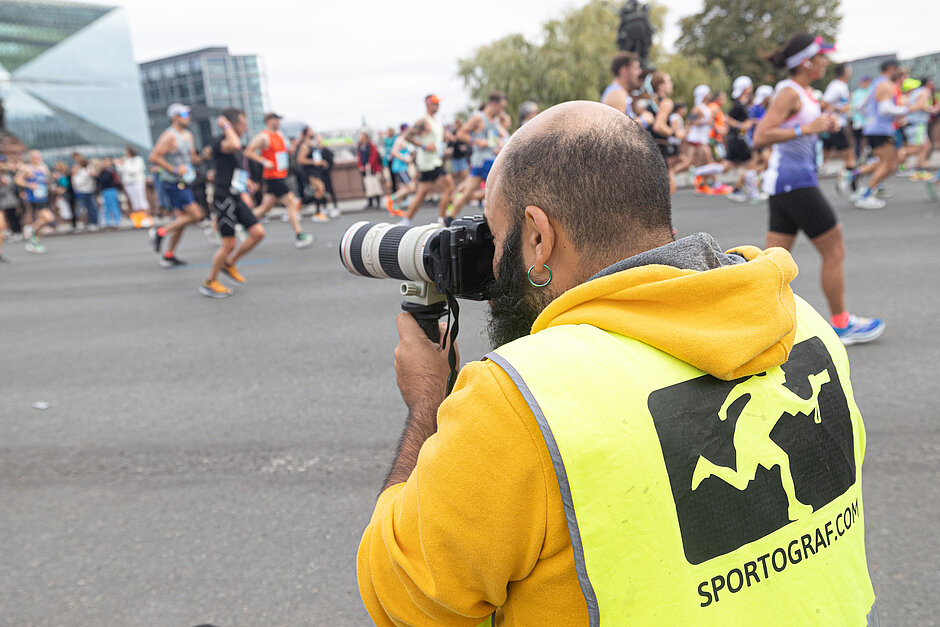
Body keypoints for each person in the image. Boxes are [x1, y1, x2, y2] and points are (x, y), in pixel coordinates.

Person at [357, 100, 878, 624]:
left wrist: (427, 399)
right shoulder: (802, 324)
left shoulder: (522, 397)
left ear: (538, 236)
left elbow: (403, 601)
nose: (490, 265)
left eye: (494, 238)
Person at [755, 32, 884, 345]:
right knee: (834, 249)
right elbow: (761, 135)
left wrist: (827, 122)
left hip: (787, 185)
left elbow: (810, 119)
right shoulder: (788, 92)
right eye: (822, 56)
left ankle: (756, 325)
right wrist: (805, 128)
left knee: (774, 262)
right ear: (807, 61)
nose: (827, 62)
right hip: (796, 183)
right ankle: (841, 324)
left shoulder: (803, 91)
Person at [200, 108, 266, 298]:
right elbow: (235, 144)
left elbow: (235, 168)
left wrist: (246, 183)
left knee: (258, 233)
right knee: (228, 243)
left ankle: (229, 263)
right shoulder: (219, 141)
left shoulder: (233, 143)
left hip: (236, 195)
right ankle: (210, 282)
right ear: (232, 124)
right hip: (223, 198)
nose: (245, 128)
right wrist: (225, 124)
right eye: (242, 124)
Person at [855, 60, 925, 209]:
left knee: (888, 163)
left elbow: (860, 106)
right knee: (887, 164)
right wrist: (910, 109)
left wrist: (870, 118)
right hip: (881, 130)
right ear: (892, 69)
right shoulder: (885, 84)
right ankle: (864, 193)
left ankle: (857, 179)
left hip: (879, 129)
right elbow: (885, 109)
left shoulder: (877, 84)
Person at [245, 112, 314, 248]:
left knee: (265, 208)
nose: (278, 122)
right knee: (291, 203)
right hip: (273, 176)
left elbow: (282, 152)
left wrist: (290, 151)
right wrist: (263, 161)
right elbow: (248, 151)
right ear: (269, 121)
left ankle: (244, 222)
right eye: (276, 120)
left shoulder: (280, 135)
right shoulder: (264, 137)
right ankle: (299, 235)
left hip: (280, 175)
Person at [148, 103, 204, 266]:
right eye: (184, 115)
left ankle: (169, 254)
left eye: (188, 115)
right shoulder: (169, 136)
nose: (188, 118)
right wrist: (173, 169)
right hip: (173, 182)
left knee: (182, 220)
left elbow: (192, 159)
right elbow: (154, 156)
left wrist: (205, 156)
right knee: (195, 215)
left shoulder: (188, 135)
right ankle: (160, 232)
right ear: (174, 117)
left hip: (186, 180)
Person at [448, 92, 508, 222]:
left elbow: (493, 139)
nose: (502, 111)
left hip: (489, 158)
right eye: (501, 107)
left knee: (467, 194)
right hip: (482, 160)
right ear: (493, 104)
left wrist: (497, 144)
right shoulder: (478, 118)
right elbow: (460, 134)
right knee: (500, 187)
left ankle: (449, 217)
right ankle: (492, 219)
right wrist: (476, 141)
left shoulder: (496, 120)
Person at [400, 94, 456, 226]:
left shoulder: (435, 121)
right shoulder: (423, 121)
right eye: (434, 103)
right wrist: (424, 146)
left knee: (421, 194)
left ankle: (405, 221)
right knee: (449, 187)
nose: (437, 106)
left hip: (433, 160)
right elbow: (406, 135)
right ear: (427, 104)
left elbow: (435, 140)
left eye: (438, 103)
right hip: (430, 163)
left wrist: (445, 138)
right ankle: (442, 220)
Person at [821, 63, 857, 193]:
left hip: (834, 125)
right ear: (845, 72)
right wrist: (840, 109)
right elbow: (824, 103)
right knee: (850, 157)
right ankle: (852, 187)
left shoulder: (840, 86)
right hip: (836, 126)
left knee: (824, 155)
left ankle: (848, 183)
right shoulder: (837, 86)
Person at [14, 150, 55, 254]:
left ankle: (34, 242)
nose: (38, 158)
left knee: (42, 220)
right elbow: (17, 180)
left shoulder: (43, 167)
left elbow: (47, 180)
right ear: (31, 157)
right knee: (48, 217)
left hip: (43, 196)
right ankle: (31, 228)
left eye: (39, 156)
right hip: (34, 198)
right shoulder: (26, 168)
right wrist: (29, 185)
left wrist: (48, 180)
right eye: (36, 156)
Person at [601, 50, 642, 117]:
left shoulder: (619, 92)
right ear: (623, 70)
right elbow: (617, 126)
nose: (639, 72)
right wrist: (644, 120)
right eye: (636, 68)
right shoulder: (616, 94)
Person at [118, 146, 151, 228]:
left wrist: (124, 165)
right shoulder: (126, 161)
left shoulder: (138, 160)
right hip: (129, 183)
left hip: (138, 182)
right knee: (134, 202)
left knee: (142, 200)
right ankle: (138, 220)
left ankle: (146, 219)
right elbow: (121, 171)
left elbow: (134, 171)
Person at [357, 131, 385, 210]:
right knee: (367, 186)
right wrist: (361, 166)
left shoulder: (371, 146)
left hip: (372, 169)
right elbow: (359, 157)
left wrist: (369, 165)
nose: (360, 138)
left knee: (375, 185)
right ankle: (370, 202)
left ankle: (378, 202)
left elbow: (374, 156)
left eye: (361, 136)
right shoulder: (360, 146)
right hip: (365, 170)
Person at [71, 155, 99, 231]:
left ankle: (93, 222)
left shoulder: (86, 170)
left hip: (87, 191)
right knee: (83, 208)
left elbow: (79, 182)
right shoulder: (80, 171)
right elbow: (76, 182)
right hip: (81, 191)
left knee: (90, 208)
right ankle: (86, 223)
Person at [97, 157, 122, 228]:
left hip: (111, 189)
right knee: (106, 207)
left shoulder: (111, 170)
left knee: (114, 205)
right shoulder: (103, 171)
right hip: (104, 190)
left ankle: (117, 221)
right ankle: (108, 222)